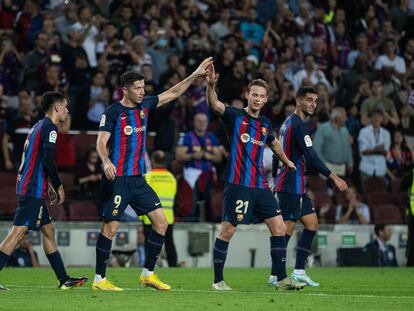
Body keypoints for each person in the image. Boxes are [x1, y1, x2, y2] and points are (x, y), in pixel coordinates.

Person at [92, 57, 213, 292]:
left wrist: (195, 74)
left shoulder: (145, 106)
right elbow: (100, 142)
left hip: (138, 179)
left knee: (161, 222)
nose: (142, 91)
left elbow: (173, 93)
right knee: (110, 228)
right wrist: (106, 161)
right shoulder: (113, 112)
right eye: (137, 88)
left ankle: (148, 274)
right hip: (118, 179)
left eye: (143, 86)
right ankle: (99, 280)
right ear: (124, 90)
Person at [206, 64, 305, 291]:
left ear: (266, 99)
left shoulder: (265, 124)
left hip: (260, 186)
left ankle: (281, 279)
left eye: (261, 96)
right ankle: (218, 281)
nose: (257, 99)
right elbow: (214, 104)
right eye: (254, 95)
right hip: (238, 184)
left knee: (279, 227)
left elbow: (274, 142)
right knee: (228, 231)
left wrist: (287, 160)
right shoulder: (234, 116)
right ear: (247, 95)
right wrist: (211, 85)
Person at [0, 91, 88, 291]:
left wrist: (45, 182)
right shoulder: (50, 128)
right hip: (32, 188)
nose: (67, 110)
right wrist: (58, 185)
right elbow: (48, 159)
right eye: (65, 106)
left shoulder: (38, 126)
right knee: (17, 233)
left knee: (48, 230)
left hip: (32, 185)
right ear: (57, 107)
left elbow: (35, 158)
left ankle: (63, 279)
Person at [272, 87, 348, 287]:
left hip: (293, 184)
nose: (314, 103)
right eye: (309, 100)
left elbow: (276, 152)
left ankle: (298, 271)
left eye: (315, 100)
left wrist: (274, 177)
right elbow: (312, 157)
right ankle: (275, 275)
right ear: (299, 102)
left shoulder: (287, 122)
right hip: (291, 183)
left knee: (312, 223)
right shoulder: (298, 125)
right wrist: (333, 177)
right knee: (286, 229)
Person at [175, 113, 222, 221]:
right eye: (199, 121)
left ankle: (211, 221)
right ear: (194, 123)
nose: (202, 124)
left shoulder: (211, 137)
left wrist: (208, 156)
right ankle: (190, 220)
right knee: (191, 201)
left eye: (204, 121)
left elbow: (218, 157)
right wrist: (192, 155)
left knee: (210, 200)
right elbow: (179, 155)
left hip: (208, 174)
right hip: (192, 173)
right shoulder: (187, 137)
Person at [140, 150, 178, 267]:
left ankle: (149, 266)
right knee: (169, 243)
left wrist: (141, 216)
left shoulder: (148, 176)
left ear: (152, 161)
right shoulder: (171, 177)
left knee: (149, 242)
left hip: (150, 216)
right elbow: (174, 195)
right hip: (168, 216)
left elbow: (141, 197)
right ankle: (173, 266)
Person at [358, 108, 391, 181]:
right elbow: (363, 151)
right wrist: (378, 150)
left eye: (379, 116)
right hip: (366, 168)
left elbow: (386, 152)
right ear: (370, 118)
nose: (376, 118)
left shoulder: (386, 133)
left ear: (382, 119)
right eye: (374, 116)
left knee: (380, 192)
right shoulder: (363, 132)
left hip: (381, 169)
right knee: (366, 191)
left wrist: (374, 150)